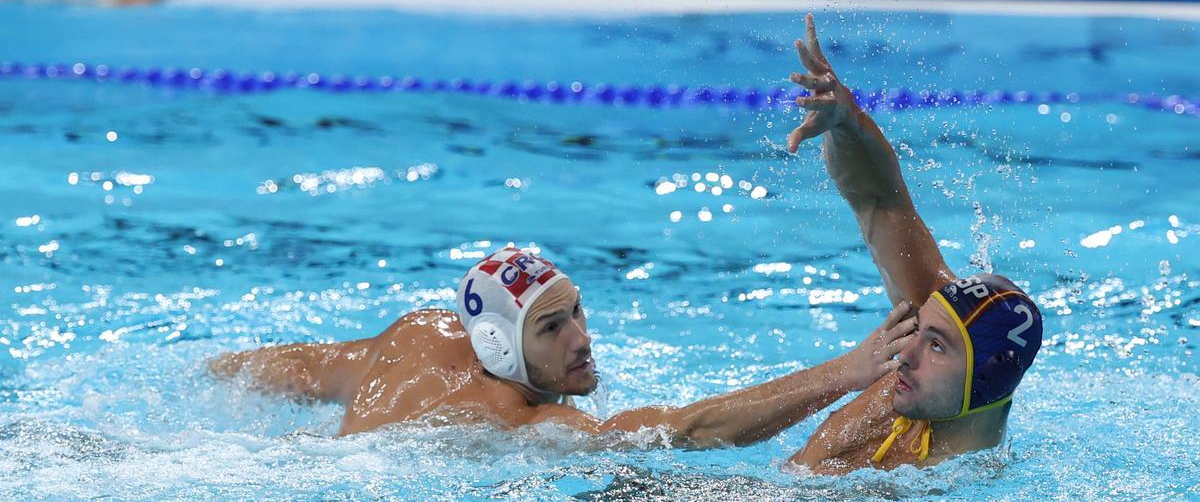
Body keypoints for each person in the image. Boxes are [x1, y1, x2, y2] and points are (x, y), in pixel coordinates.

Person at [209, 246, 916, 443]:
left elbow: (291, 367)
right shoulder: (522, 420)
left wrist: (208, 370)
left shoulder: (414, 335)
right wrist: (846, 371)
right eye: (553, 327)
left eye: (577, 312)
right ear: (499, 344)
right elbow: (686, 429)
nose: (583, 339)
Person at [782, 14, 1044, 473]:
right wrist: (847, 122)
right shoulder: (943, 361)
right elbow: (881, 202)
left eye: (936, 345)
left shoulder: (948, 482)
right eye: (921, 332)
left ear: (988, 375)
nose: (903, 353)